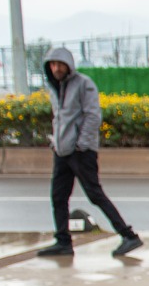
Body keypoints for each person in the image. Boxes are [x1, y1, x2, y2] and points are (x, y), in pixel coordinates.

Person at [35, 46, 141, 258]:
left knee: (95, 195)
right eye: (52, 65)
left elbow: (93, 116)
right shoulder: (54, 88)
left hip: (81, 152)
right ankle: (63, 242)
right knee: (58, 197)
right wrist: (56, 142)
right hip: (61, 152)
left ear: (68, 65)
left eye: (59, 64)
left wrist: (81, 144)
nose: (56, 68)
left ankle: (129, 236)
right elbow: (59, 118)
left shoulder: (84, 84)